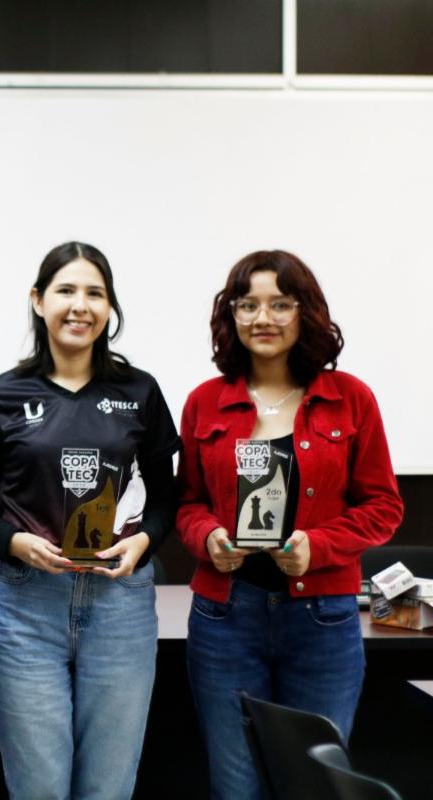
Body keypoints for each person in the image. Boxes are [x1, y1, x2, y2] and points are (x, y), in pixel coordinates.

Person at [176, 250, 403, 799]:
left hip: (322, 621)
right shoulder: (205, 403)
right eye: (247, 304)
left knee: (316, 784)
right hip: (225, 618)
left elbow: (383, 505)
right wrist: (208, 537)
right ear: (230, 315)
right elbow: (186, 504)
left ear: (306, 312)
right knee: (235, 786)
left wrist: (318, 546)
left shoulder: (350, 398)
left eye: (280, 303)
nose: (263, 318)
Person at [0, 241, 179, 799]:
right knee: (39, 788)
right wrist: (13, 542)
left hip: (121, 604)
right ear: (38, 301)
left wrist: (146, 543)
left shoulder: (140, 392)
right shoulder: (0, 396)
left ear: (109, 309)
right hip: (27, 608)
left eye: (95, 293)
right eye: (65, 290)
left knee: (108, 788)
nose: (79, 305)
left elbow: (166, 496)